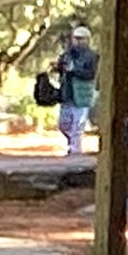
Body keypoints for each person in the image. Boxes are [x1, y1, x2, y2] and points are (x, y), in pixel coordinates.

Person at [54, 21, 100, 156]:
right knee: (63, 124)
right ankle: (72, 144)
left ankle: (75, 151)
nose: (78, 41)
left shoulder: (92, 57)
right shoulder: (67, 54)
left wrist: (74, 70)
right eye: (76, 38)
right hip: (67, 94)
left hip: (82, 93)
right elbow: (62, 69)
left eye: (81, 39)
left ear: (87, 40)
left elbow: (91, 74)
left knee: (77, 126)